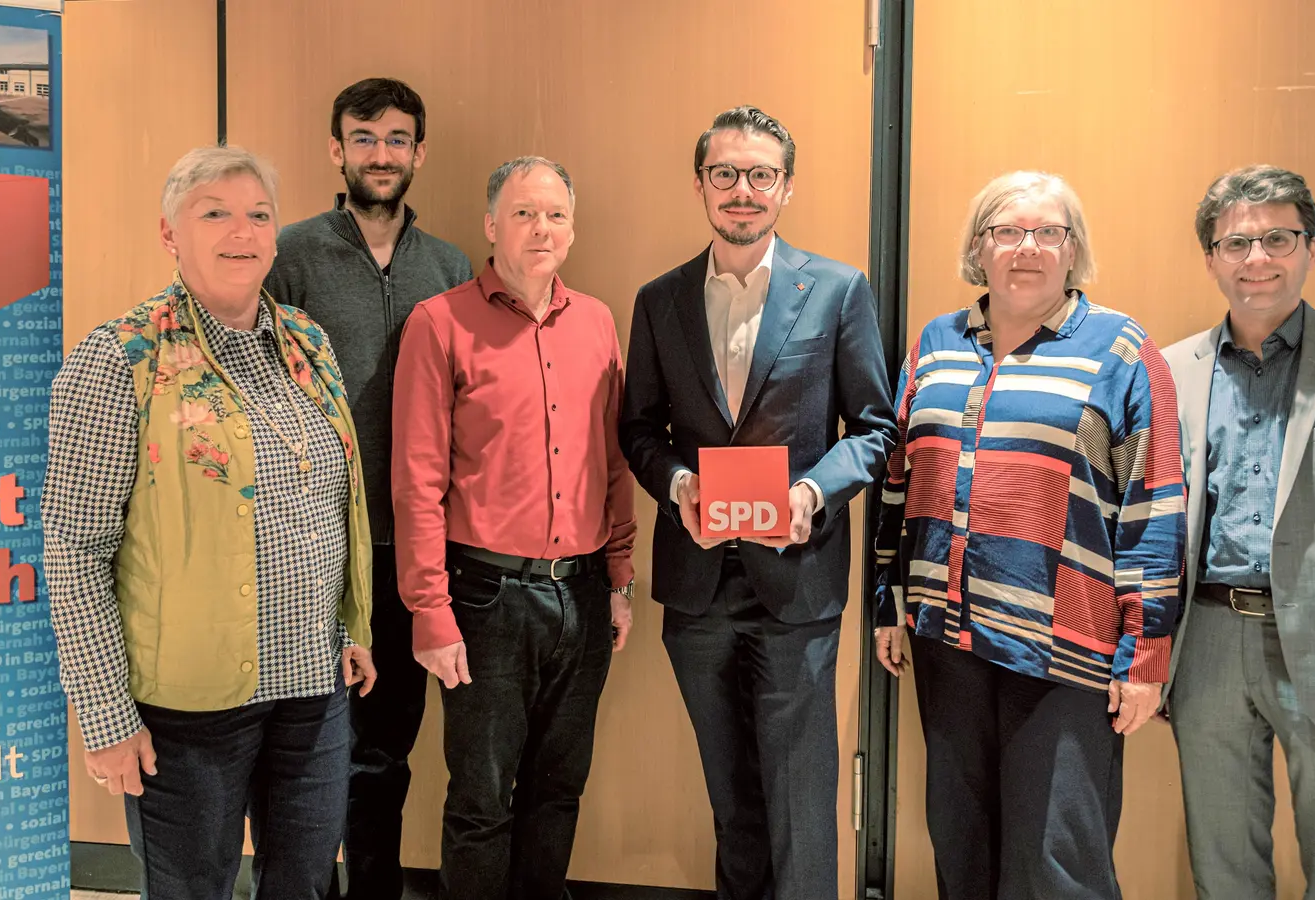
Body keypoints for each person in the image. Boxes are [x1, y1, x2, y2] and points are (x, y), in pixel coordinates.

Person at [43, 145, 376, 900]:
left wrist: (353, 624)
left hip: (312, 690)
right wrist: (104, 713)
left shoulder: (308, 343)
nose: (242, 231)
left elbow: (333, 501)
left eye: (259, 215)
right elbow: (73, 547)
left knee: (302, 885)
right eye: (215, 213)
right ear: (170, 234)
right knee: (194, 888)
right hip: (188, 709)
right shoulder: (119, 358)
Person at [872, 171, 1185, 900]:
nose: (1028, 248)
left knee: (1057, 863)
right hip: (948, 638)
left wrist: (1146, 654)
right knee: (961, 843)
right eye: (1007, 231)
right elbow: (898, 481)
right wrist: (888, 601)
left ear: (1074, 251)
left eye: (1050, 232)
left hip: (1066, 648)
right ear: (978, 248)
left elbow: (1153, 507)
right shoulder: (937, 343)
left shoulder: (1123, 351)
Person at [620, 106, 896, 899]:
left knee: (802, 801)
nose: (743, 191)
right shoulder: (659, 300)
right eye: (725, 174)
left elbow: (874, 429)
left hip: (797, 580)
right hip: (699, 588)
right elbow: (638, 429)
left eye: (760, 175)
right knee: (730, 796)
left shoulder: (838, 290)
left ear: (787, 187)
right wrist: (680, 487)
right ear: (701, 184)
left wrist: (814, 492)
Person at [391, 156, 636, 900]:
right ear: (491, 225)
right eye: (524, 213)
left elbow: (614, 462)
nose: (542, 228)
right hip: (485, 598)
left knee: (559, 790)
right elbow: (417, 478)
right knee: (481, 799)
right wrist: (429, 611)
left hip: (584, 595)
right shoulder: (440, 323)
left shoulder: (596, 321)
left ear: (573, 229)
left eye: (556, 214)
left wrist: (620, 580)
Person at [1162, 164, 1315, 900]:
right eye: (1237, 243)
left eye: (1278, 238)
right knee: (1224, 868)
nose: (1257, 259)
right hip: (1205, 645)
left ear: (1312, 248)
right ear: (1210, 258)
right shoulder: (1171, 370)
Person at [262, 77, 471, 900]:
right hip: (310, 548)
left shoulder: (450, 265)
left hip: (412, 550)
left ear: (419, 153)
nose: (380, 154)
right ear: (335, 149)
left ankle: (374, 890)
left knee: (387, 747)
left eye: (396, 139)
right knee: (308, 744)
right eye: (364, 137)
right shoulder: (290, 255)